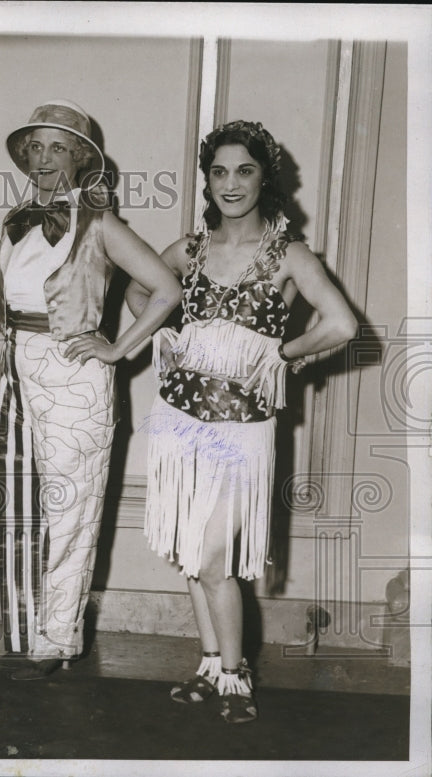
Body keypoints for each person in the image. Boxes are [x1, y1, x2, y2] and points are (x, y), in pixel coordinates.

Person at [129, 120, 357, 721]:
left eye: (245, 170)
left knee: (211, 557)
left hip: (242, 430)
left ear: (265, 177)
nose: (231, 184)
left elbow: (341, 325)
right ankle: (208, 663)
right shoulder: (191, 249)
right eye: (220, 171)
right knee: (189, 552)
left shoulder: (289, 254)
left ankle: (236, 677)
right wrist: (170, 336)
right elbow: (139, 291)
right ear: (207, 180)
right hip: (179, 418)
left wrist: (280, 354)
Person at [0, 100, 183, 680]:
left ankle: (57, 640)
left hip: (74, 377)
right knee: (20, 510)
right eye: (35, 148)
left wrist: (118, 350)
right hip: (18, 371)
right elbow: (2, 314)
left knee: (70, 513)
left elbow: (166, 288)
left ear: (80, 160)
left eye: (57, 148)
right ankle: (24, 632)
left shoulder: (101, 224)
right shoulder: (16, 223)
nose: (43, 159)